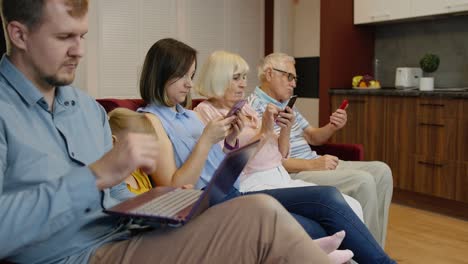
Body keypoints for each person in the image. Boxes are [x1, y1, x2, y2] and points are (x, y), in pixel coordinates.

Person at [0, 1, 338, 263]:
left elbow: (114, 197)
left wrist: (153, 210)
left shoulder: (89, 112)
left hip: (126, 236)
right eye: (63, 37)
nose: (79, 50)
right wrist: (93, 177)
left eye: (82, 36)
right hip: (77, 255)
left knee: (259, 212)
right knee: (263, 221)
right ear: (19, 35)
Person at [138, 38, 396, 264]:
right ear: (161, 73)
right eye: (182, 76)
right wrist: (208, 141)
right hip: (212, 203)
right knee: (318, 225)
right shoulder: (151, 121)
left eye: (191, 76)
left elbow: (221, 162)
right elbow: (173, 188)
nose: (189, 85)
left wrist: (231, 140)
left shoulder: (187, 116)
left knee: (327, 199)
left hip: (232, 191)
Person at [193, 50, 363, 221]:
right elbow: (229, 163)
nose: (244, 84)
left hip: (280, 175)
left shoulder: (244, 107)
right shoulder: (205, 112)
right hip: (254, 181)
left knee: (352, 204)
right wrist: (265, 131)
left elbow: (282, 153)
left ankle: (342, 248)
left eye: (244, 77)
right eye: (237, 78)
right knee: (334, 201)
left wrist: (285, 128)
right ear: (218, 78)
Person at [248, 52, 394, 247]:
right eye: (289, 77)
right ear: (269, 74)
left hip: (314, 163)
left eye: (295, 79)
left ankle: (375, 251)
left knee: (382, 171)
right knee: (363, 181)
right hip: (294, 172)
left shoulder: (288, 105)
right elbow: (264, 161)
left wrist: (332, 126)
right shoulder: (252, 109)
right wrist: (311, 164)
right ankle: (366, 256)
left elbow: (313, 136)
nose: (294, 83)